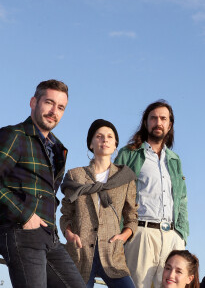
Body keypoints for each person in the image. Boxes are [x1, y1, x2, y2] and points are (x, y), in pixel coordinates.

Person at [0, 80, 86, 288]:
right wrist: (25, 214)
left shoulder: (58, 149)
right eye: (49, 102)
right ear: (33, 102)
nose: (53, 111)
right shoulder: (14, 135)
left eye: (60, 107)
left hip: (49, 235)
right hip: (21, 231)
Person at [114, 100, 189, 288]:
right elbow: (114, 195)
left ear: (169, 124)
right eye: (153, 118)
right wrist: (122, 232)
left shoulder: (174, 160)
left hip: (171, 236)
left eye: (163, 118)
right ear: (146, 122)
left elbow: (181, 200)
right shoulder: (129, 154)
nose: (158, 122)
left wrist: (181, 235)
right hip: (141, 233)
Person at [60, 119, 138, 288]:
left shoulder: (124, 178)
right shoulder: (75, 176)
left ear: (115, 144)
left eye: (110, 136)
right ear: (91, 143)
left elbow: (132, 216)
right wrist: (69, 235)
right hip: (80, 252)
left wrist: (122, 237)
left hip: (112, 253)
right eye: (99, 136)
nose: (105, 140)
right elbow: (66, 213)